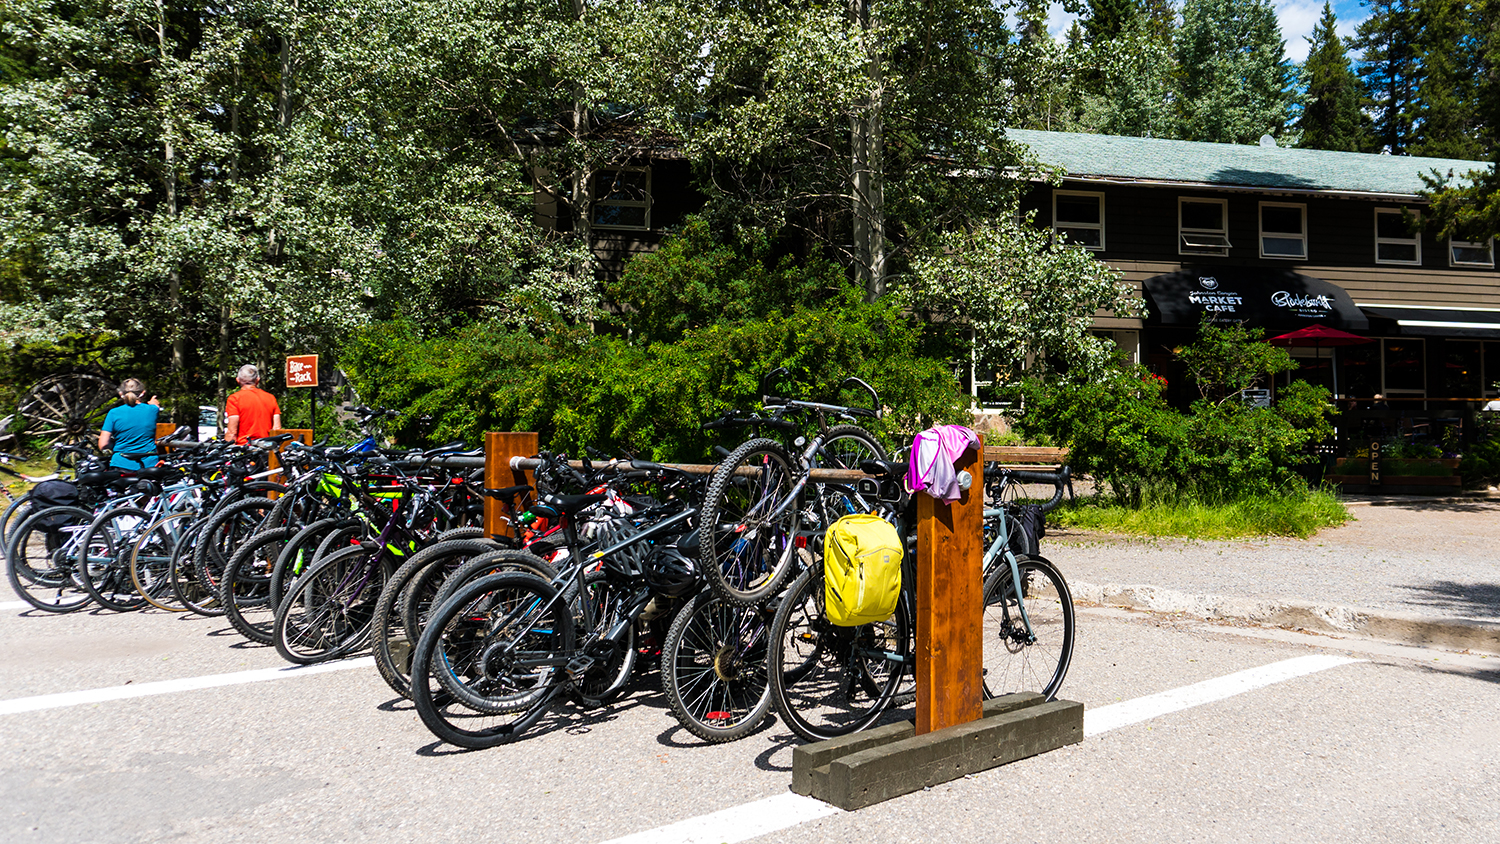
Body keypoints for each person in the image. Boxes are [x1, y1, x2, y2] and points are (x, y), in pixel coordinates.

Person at [98, 378, 160, 469]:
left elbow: (103, 444)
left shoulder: (113, 413)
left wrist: (115, 444)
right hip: (148, 464)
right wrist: (154, 403)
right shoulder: (152, 410)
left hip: (121, 463)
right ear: (143, 393)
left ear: (121, 394)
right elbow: (155, 406)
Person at [223, 364, 282, 445]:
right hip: (266, 448)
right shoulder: (271, 398)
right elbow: (277, 429)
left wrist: (227, 450)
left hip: (245, 449)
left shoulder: (234, 399)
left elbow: (232, 432)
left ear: (238, 380)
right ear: (257, 380)